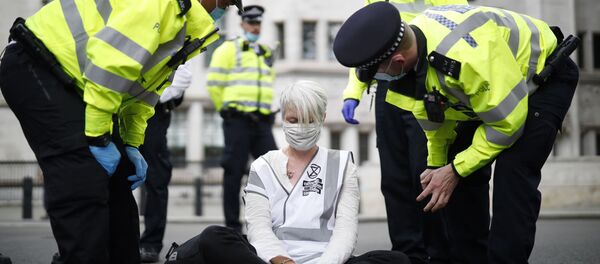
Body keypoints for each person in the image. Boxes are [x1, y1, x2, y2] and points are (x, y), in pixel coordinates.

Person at [333, 2, 579, 263]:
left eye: (376, 77)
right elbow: (436, 123)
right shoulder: (411, 64)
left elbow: (507, 125)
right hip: (487, 92)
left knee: (513, 176)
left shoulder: (467, 57)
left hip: (542, 80)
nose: (377, 84)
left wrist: (455, 170)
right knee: (455, 170)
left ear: (397, 62)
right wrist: (438, 166)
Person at [0, 0, 242, 263]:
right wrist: (98, 136)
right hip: (36, 62)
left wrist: (131, 143)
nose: (223, 8)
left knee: (119, 193)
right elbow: (111, 64)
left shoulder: (183, 22)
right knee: (83, 178)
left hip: (76, 82)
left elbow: (142, 93)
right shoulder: (164, 5)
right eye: (225, 2)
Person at [165, 80, 410, 264]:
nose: (300, 127)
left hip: (327, 260)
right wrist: (282, 260)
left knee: (397, 260)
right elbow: (259, 230)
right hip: (272, 261)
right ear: (282, 118)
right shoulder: (263, 165)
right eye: (293, 120)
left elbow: (346, 231)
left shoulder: (343, 163)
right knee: (213, 237)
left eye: (308, 119)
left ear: (323, 118)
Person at [340, 1, 469, 263]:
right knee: (394, 176)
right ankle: (407, 253)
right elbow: (367, 44)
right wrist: (353, 91)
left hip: (424, 75)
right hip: (387, 78)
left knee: (424, 172)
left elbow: (460, 22)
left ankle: (438, 253)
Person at [206, 5, 278, 233]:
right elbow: (214, 85)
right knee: (233, 172)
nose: (255, 27)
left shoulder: (265, 53)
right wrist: (226, 111)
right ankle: (232, 228)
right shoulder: (228, 50)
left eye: (258, 23)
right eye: (251, 23)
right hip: (237, 120)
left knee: (274, 171)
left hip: (263, 122)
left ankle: (272, 224)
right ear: (242, 24)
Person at [139, 62, 192, 262]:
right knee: (117, 179)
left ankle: (150, 245)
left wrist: (159, 95)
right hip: (124, 106)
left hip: (155, 112)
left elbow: (182, 76)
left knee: (156, 181)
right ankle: (119, 240)